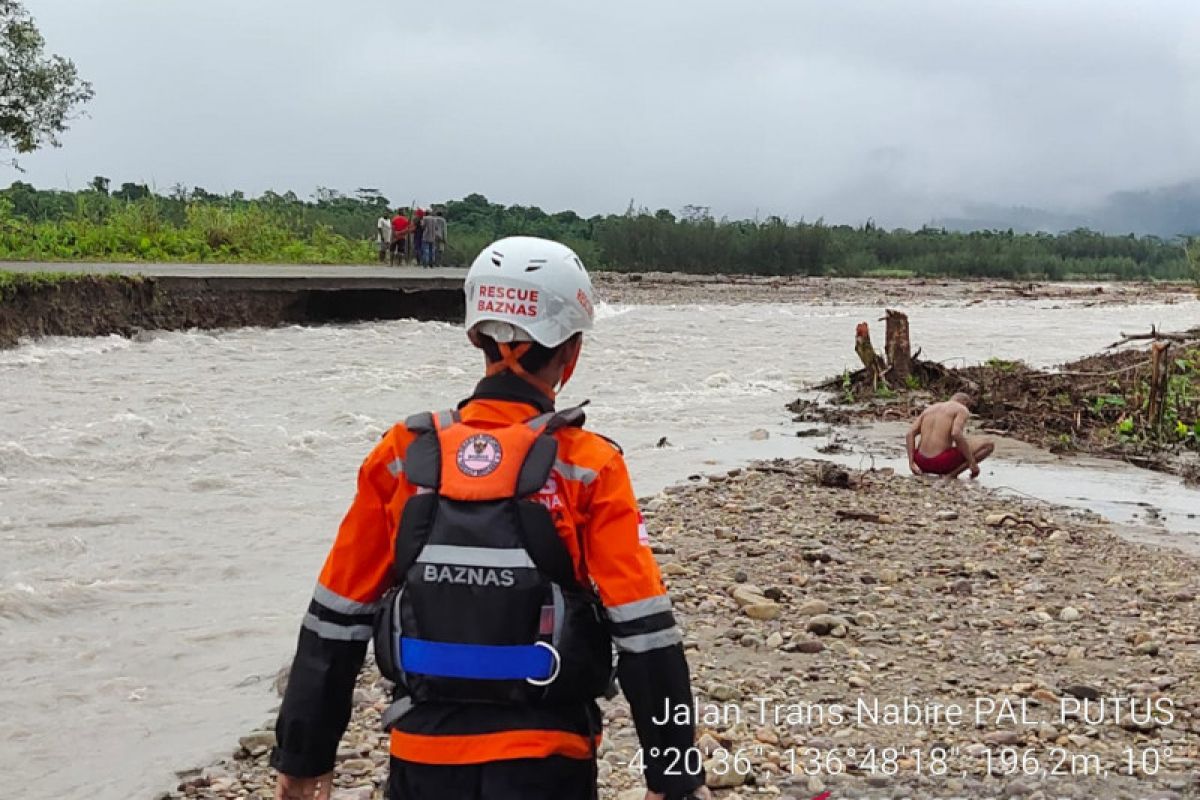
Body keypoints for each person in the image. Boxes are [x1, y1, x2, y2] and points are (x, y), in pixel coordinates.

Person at [271, 236, 710, 800]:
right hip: (549, 764)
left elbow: (335, 619)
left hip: (421, 761)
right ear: (571, 353)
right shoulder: (589, 465)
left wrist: (303, 757)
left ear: (477, 334)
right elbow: (646, 632)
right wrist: (674, 777)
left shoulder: (402, 454)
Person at [906, 392, 995, 478]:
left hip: (920, 462)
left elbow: (910, 434)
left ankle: (919, 467)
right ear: (965, 403)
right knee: (989, 445)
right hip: (941, 462)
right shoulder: (961, 409)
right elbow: (956, 433)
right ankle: (952, 475)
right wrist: (972, 462)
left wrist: (911, 463)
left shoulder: (930, 409)